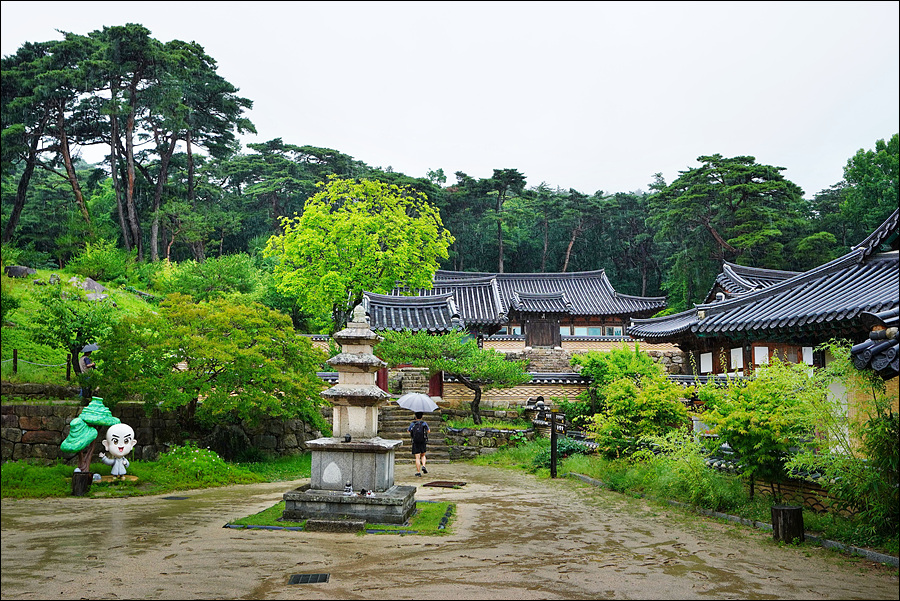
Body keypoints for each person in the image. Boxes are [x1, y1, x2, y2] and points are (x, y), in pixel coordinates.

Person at [407, 411, 430, 477]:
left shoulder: (413, 424)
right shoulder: (424, 423)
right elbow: (428, 431)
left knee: (417, 457)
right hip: (423, 441)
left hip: (415, 441)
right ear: (422, 417)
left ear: (415, 416)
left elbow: (408, 430)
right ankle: (424, 465)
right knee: (423, 455)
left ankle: (418, 472)